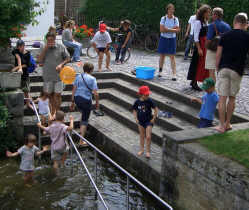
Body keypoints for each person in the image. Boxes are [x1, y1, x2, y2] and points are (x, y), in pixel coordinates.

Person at [215, 13, 249, 133]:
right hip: (237, 70)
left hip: (223, 68)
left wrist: (217, 68)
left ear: (234, 22)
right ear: (245, 24)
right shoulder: (247, 36)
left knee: (222, 98)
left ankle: (221, 125)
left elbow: (218, 54)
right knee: (232, 98)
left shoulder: (224, 35)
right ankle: (228, 124)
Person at [38, 32, 71, 117]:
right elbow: (39, 61)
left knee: (58, 94)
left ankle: (57, 112)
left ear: (55, 39)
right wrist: (45, 48)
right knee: (49, 94)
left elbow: (68, 58)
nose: (50, 42)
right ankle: (53, 110)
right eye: (48, 40)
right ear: (46, 40)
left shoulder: (61, 46)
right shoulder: (43, 47)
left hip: (59, 76)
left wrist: (61, 64)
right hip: (48, 76)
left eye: (52, 40)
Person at [70, 62, 99, 146]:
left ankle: (80, 130)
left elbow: (74, 89)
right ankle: (81, 141)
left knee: (83, 114)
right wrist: (97, 103)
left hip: (77, 99)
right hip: (86, 100)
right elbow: (96, 93)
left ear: (84, 69)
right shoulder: (92, 79)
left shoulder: (78, 76)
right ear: (92, 70)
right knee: (85, 120)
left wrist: (72, 101)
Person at [187, 4, 211, 91]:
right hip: (200, 45)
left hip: (204, 45)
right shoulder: (198, 22)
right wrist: (199, 48)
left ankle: (194, 81)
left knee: (201, 64)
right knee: (197, 64)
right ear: (203, 13)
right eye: (208, 12)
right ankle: (194, 82)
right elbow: (196, 37)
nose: (209, 14)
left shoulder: (205, 22)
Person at [205, 7, 231, 82]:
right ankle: (222, 91)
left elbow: (208, 39)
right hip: (223, 51)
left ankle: (213, 92)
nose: (211, 16)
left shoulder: (211, 25)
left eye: (212, 14)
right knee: (221, 72)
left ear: (215, 15)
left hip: (212, 50)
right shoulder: (227, 26)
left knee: (211, 72)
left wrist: (206, 49)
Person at [132, 86, 158, 158]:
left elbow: (156, 109)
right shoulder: (137, 102)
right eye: (145, 95)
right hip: (140, 121)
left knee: (148, 136)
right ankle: (142, 149)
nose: (147, 96)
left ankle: (148, 151)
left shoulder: (149, 101)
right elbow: (134, 110)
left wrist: (153, 118)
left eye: (148, 95)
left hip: (148, 121)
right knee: (142, 136)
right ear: (140, 95)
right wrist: (136, 118)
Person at [158, 3, 180, 80]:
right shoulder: (163, 18)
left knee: (172, 57)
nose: (171, 11)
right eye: (170, 9)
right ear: (167, 10)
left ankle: (174, 74)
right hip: (163, 38)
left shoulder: (175, 19)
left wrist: (167, 29)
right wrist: (172, 29)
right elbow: (161, 30)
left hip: (172, 39)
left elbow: (177, 30)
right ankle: (160, 71)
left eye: (172, 9)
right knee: (162, 55)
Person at [11, 40, 33, 110]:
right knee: (17, 89)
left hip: (25, 74)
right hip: (17, 75)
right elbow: (18, 58)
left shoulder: (28, 54)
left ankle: (28, 104)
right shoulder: (16, 51)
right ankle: (17, 104)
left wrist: (17, 67)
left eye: (22, 46)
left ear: (24, 45)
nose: (21, 48)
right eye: (19, 47)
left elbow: (27, 65)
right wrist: (19, 67)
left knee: (26, 90)